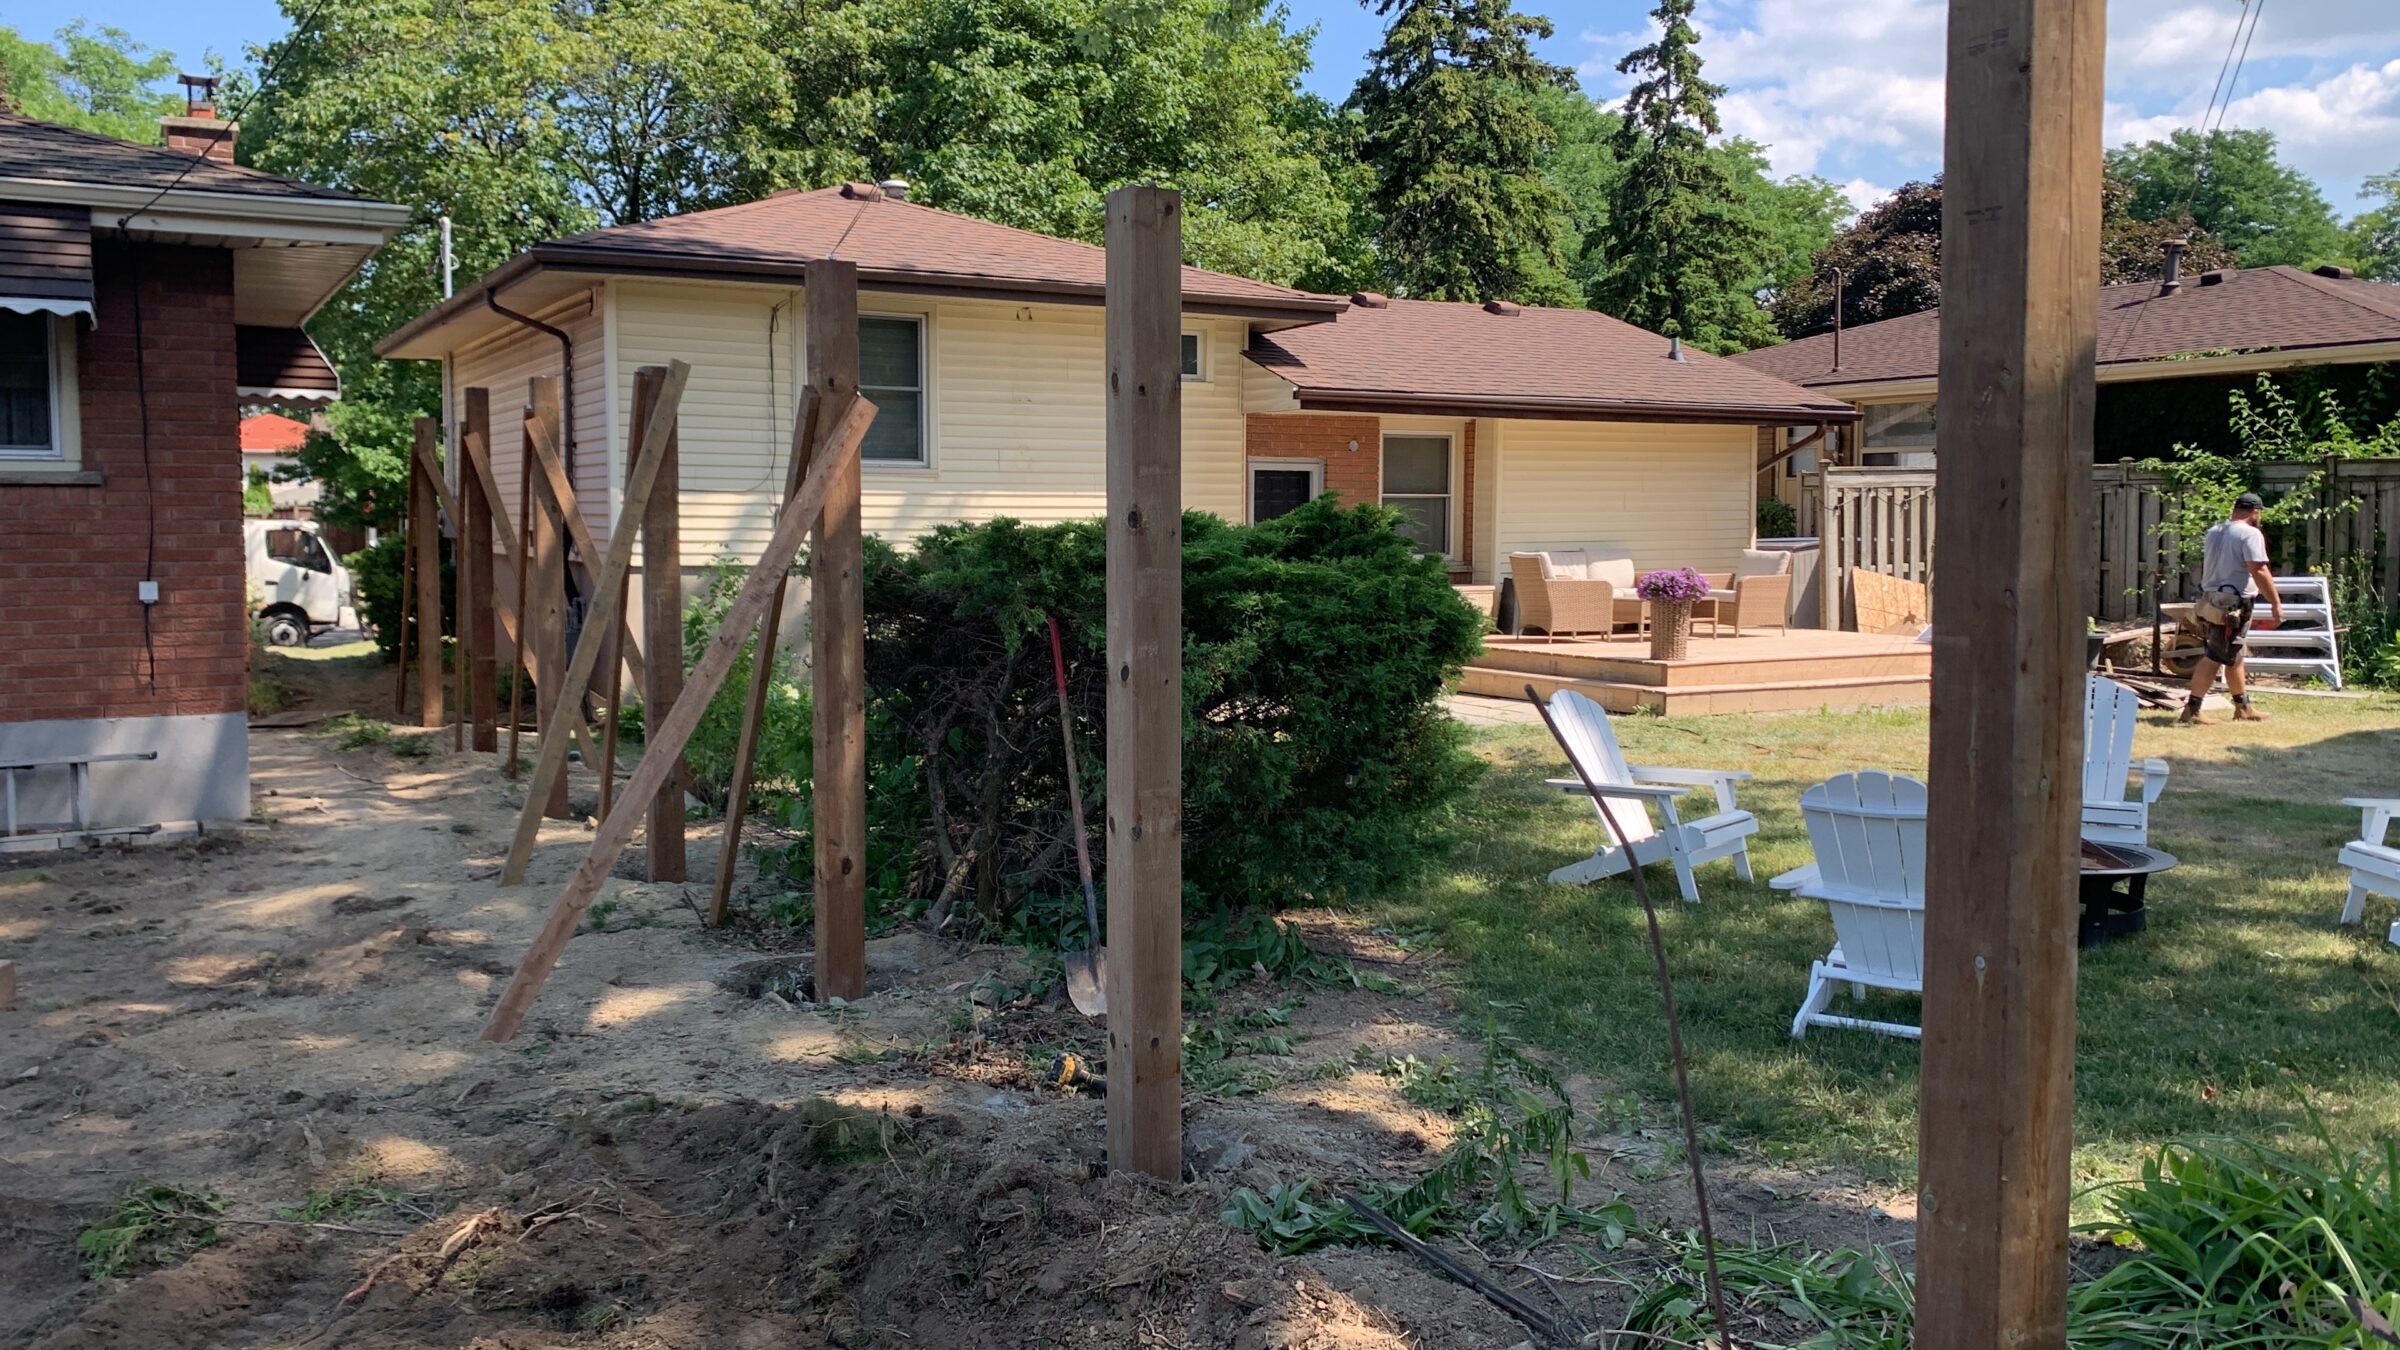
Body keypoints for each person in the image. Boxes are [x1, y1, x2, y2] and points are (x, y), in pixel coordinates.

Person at [2181, 492, 2282, 725]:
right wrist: (2276, 603)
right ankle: (2192, 710)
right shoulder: (2250, 533)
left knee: (2234, 655)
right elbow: (2259, 570)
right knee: (2215, 656)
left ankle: (2243, 706)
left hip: (2210, 600)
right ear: (2255, 512)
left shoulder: (2215, 531)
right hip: (2233, 604)